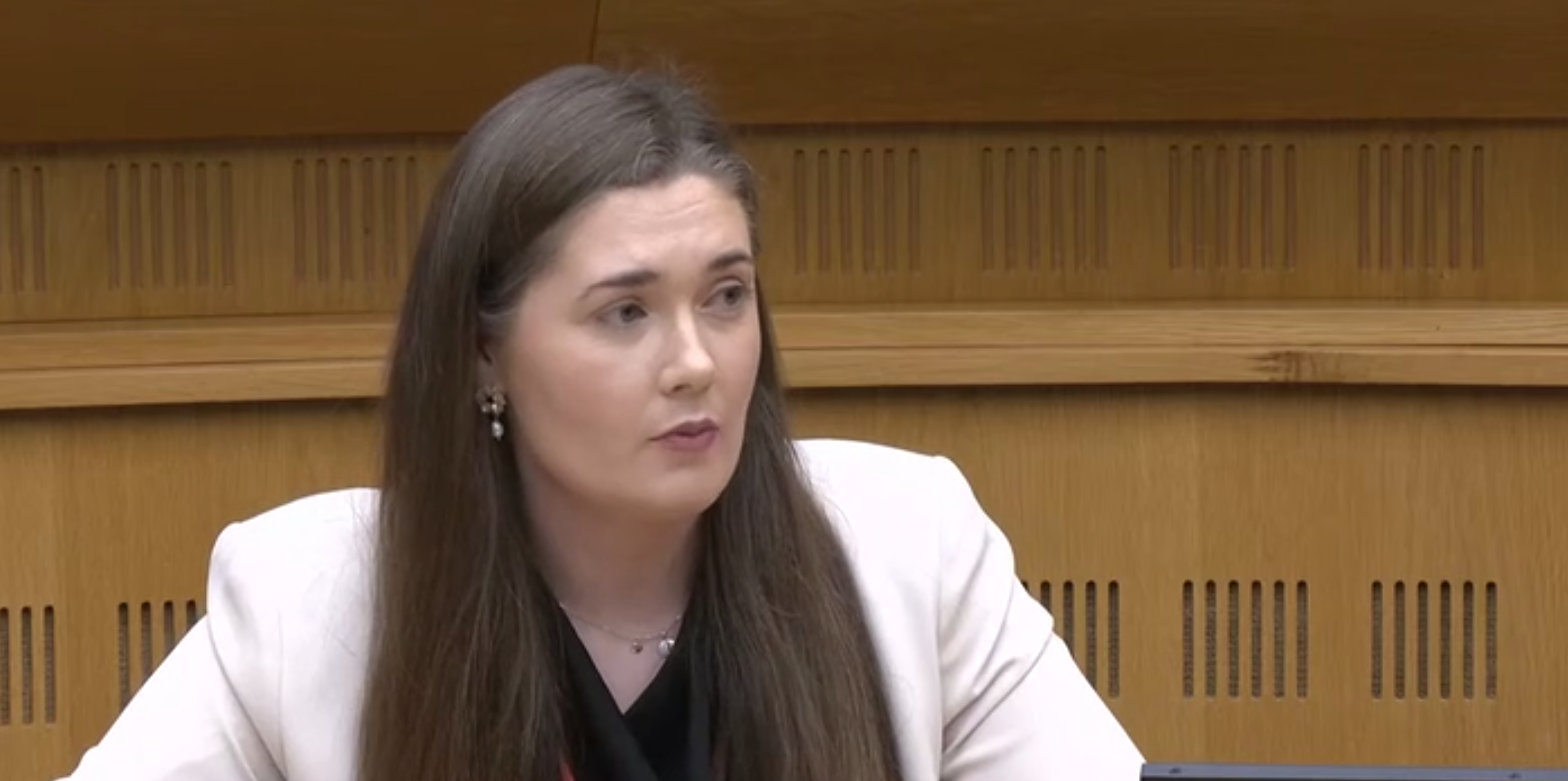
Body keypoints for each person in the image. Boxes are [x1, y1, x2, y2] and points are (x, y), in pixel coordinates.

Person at [55, 65, 1144, 781]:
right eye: (625, 313)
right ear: (484, 351)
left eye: (726, 297)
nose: (695, 362)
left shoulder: (912, 544)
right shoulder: (305, 599)